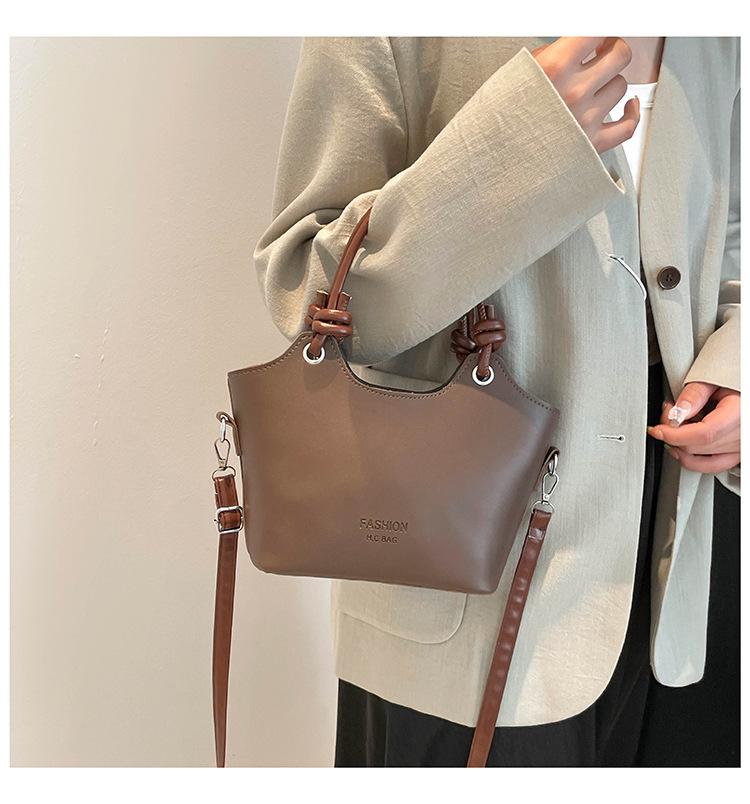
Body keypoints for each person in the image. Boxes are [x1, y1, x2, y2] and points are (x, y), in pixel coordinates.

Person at [253, 36, 740, 766]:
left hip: (684, 568)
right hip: (468, 600)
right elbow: (310, 289)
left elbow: (729, 234)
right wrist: (521, 143)